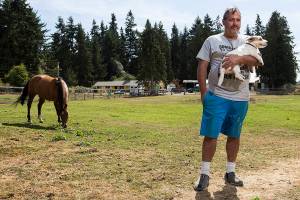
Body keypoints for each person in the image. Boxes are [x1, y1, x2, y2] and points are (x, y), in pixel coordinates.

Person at [194, 7, 262, 191]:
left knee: (234, 135)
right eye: (231, 20)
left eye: (238, 20)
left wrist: (238, 60)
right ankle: (204, 174)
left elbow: (257, 61)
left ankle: (230, 172)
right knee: (211, 135)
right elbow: (202, 66)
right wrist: (203, 93)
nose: (235, 23)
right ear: (223, 22)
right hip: (217, 95)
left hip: (240, 97)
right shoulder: (212, 41)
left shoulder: (248, 41)